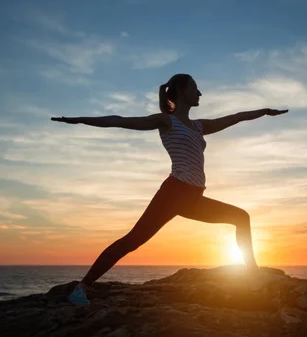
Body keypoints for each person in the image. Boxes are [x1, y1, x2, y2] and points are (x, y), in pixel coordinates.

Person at [51, 73, 288, 305]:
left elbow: (234, 117)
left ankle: (252, 274)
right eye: (195, 87)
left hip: (193, 197)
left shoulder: (198, 126)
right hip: (173, 193)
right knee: (131, 242)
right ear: (183, 91)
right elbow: (121, 120)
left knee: (241, 217)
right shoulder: (166, 121)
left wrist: (264, 112)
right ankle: (81, 288)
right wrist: (81, 119)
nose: (200, 93)